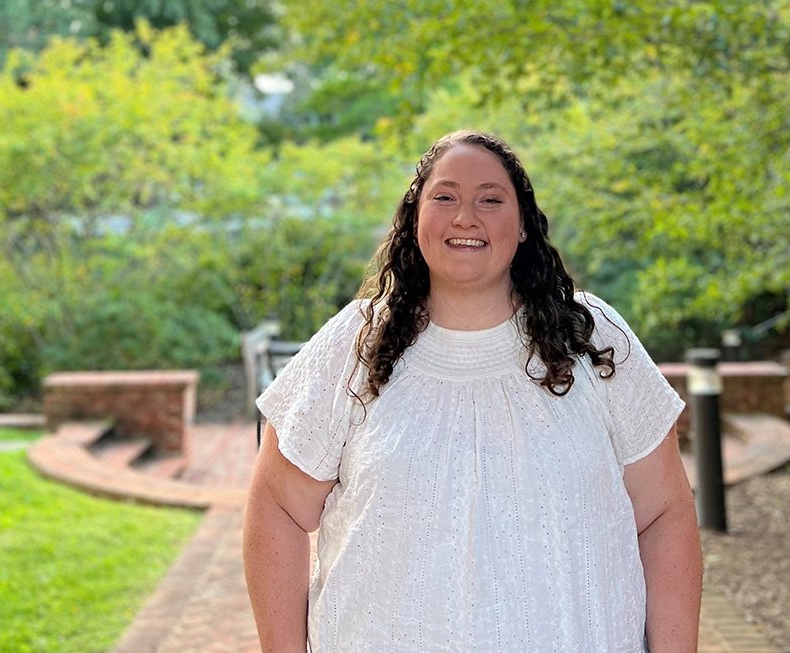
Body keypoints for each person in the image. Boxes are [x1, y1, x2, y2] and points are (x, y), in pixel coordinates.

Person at [243, 130, 702, 652]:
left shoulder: (591, 334)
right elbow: (277, 504)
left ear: (524, 224)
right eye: (445, 197)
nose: (466, 217)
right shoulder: (358, 344)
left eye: (490, 199)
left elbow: (664, 510)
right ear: (415, 219)